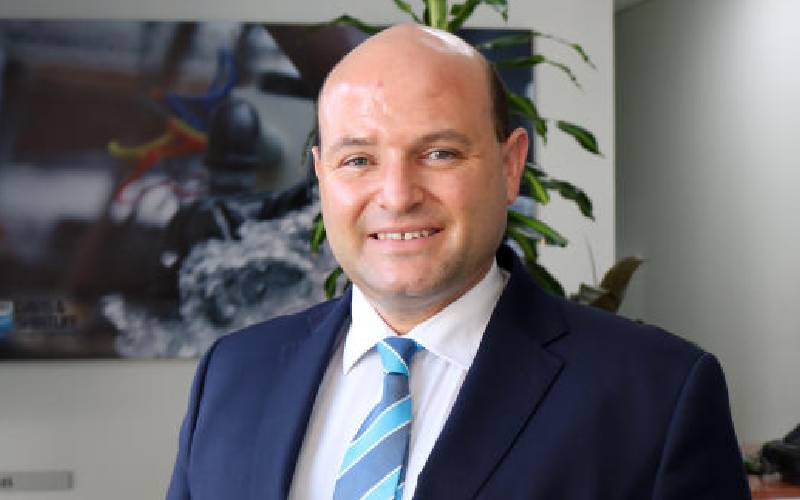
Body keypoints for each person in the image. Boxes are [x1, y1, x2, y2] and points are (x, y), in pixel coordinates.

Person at [167, 24, 750, 499]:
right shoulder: (233, 374)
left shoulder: (655, 393)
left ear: (510, 166)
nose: (397, 196)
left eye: (439, 153)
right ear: (322, 176)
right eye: (359, 160)